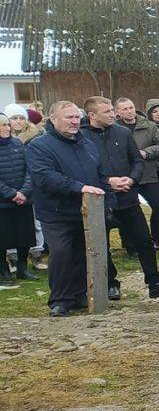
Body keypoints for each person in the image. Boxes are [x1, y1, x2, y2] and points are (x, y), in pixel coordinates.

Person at [82, 95, 159, 300]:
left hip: (127, 195)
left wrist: (131, 179)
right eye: (107, 111)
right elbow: (83, 167)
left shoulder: (122, 133)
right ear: (92, 115)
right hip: (99, 197)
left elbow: (137, 161)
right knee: (102, 244)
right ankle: (110, 284)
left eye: (112, 110)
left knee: (144, 240)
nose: (112, 114)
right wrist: (108, 181)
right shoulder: (82, 137)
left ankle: (155, 282)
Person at [25, 102, 108, 316]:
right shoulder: (39, 146)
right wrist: (79, 188)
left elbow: (99, 174)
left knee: (83, 253)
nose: (74, 122)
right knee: (61, 253)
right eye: (68, 117)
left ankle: (80, 294)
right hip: (56, 212)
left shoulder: (86, 143)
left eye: (76, 117)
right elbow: (45, 177)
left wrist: (108, 199)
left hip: (86, 211)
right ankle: (60, 300)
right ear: (53, 119)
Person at [113, 97, 159, 256]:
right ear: (117, 112)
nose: (129, 111)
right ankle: (132, 246)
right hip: (124, 176)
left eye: (131, 107)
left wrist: (146, 152)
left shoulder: (148, 125)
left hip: (148, 173)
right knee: (127, 211)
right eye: (124, 109)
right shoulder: (113, 129)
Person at [0, 112, 37, 282]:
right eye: (3, 125)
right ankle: (4, 271)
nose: (7, 128)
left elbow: (28, 170)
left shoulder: (17, 144)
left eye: (7, 124)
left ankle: (22, 268)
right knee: (3, 239)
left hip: (23, 199)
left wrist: (24, 191)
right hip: (3, 202)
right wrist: (12, 193)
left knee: (25, 236)